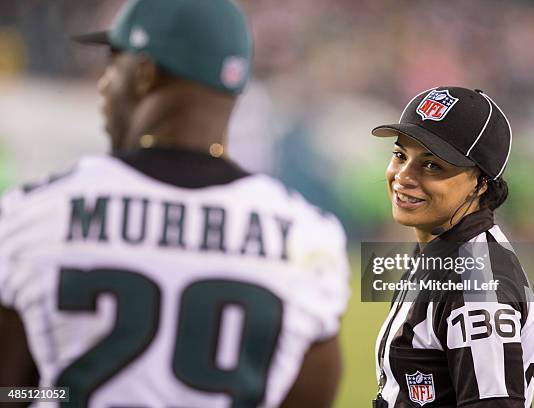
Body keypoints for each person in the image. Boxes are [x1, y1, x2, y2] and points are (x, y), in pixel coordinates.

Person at [0, 1, 350, 407]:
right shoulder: (307, 239)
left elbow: (9, 391)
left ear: (144, 73)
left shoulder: (37, 214)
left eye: (114, 65)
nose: (103, 85)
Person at [370, 87, 534, 408]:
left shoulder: (478, 286)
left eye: (433, 165)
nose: (403, 176)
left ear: (481, 183)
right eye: (400, 155)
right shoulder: (442, 249)